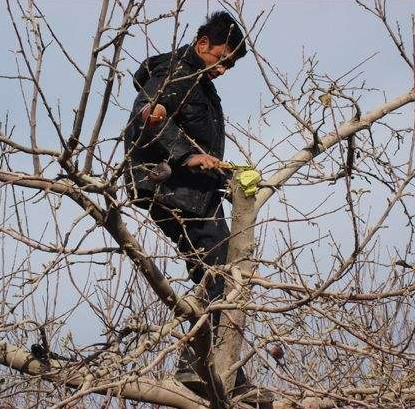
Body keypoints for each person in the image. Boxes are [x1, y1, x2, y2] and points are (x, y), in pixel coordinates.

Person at [124, 11, 271, 406]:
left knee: (218, 275)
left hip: (195, 193)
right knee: (224, 270)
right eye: (222, 59)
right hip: (171, 186)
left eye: (230, 65)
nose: (223, 69)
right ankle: (195, 361)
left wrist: (225, 175)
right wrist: (188, 155)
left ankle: (225, 373)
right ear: (203, 44)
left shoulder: (201, 84)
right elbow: (147, 117)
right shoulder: (177, 71)